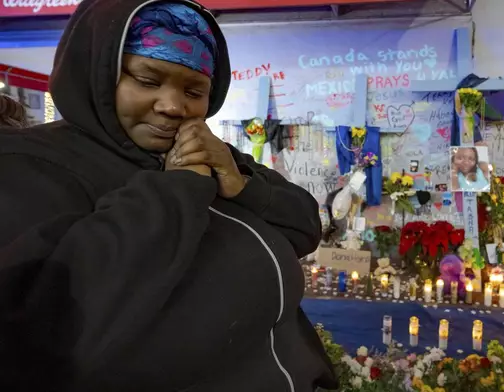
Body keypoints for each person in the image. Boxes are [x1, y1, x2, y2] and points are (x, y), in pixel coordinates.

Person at [0, 0, 337, 391]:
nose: (174, 106)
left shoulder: (205, 151)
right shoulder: (28, 165)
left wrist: (242, 184)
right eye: (147, 80)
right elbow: (42, 330)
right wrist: (179, 187)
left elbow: (304, 226)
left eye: (194, 90)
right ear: (97, 73)